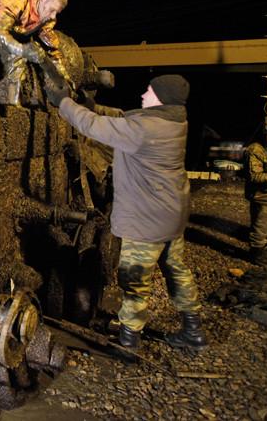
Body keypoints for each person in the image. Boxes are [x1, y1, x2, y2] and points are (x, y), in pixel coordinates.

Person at [46, 75, 208, 355]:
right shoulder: (175, 122)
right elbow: (122, 118)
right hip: (172, 215)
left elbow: (91, 126)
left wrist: (64, 102)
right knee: (177, 270)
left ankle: (129, 340)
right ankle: (193, 330)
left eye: (149, 91)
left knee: (134, 280)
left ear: (160, 98)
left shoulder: (142, 131)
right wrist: (90, 104)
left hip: (145, 221)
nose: (144, 94)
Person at [244, 123, 267, 269]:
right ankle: (256, 254)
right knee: (260, 227)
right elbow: (255, 176)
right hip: (262, 196)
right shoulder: (255, 150)